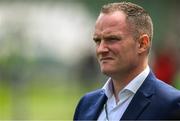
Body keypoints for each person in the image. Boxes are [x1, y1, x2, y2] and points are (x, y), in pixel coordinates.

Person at [73, 2, 180, 120]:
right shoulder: (85, 104)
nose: (101, 49)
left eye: (112, 39)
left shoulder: (172, 105)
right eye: (97, 41)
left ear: (142, 44)